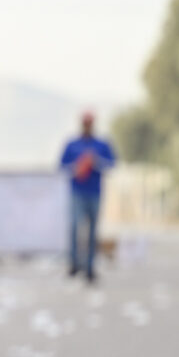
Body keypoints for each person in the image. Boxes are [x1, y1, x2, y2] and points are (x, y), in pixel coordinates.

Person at [59, 111, 116, 282]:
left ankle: (90, 267)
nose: (87, 126)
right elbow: (61, 167)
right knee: (75, 227)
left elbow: (112, 164)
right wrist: (76, 167)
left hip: (94, 193)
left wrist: (96, 162)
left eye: (89, 123)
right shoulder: (72, 144)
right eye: (85, 123)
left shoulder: (101, 145)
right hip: (77, 192)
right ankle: (74, 264)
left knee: (92, 231)